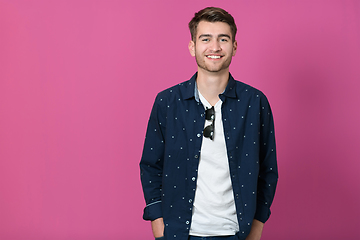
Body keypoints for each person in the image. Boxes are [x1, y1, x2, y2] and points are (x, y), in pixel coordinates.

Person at [140, 7, 278, 240]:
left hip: (236, 233)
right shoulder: (167, 102)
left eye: (223, 39)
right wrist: (158, 223)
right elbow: (151, 165)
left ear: (234, 47)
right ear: (192, 46)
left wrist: (257, 226)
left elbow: (268, 169)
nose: (214, 47)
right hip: (179, 233)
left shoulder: (255, 103)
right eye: (206, 39)